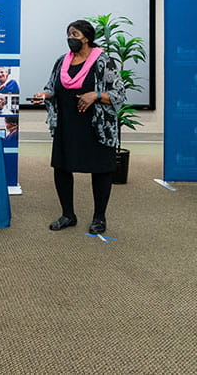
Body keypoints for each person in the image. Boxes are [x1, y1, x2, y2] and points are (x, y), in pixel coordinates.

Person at [33, 19, 125, 235]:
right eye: (68, 34)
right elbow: (51, 86)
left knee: (101, 169)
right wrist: (44, 94)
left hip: (96, 127)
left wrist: (97, 95)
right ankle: (68, 215)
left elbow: (119, 93)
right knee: (62, 167)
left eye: (75, 34)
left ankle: (99, 217)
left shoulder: (104, 61)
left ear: (87, 37)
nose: (70, 39)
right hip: (67, 124)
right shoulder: (62, 61)